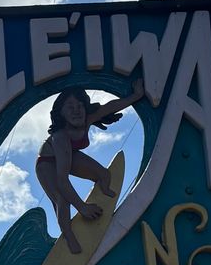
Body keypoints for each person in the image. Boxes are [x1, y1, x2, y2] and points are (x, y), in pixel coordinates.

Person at [35, 81, 145, 254]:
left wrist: (135, 96)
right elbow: (62, 180)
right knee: (62, 199)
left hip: (68, 154)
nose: (76, 110)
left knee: (104, 174)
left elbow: (110, 107)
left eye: (80, 106)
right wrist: (82, 207)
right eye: (70, 107)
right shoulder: (60, 137)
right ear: (60, 113)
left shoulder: (87, 119)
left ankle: (103, 197)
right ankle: (69, 238)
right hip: (47, 162)